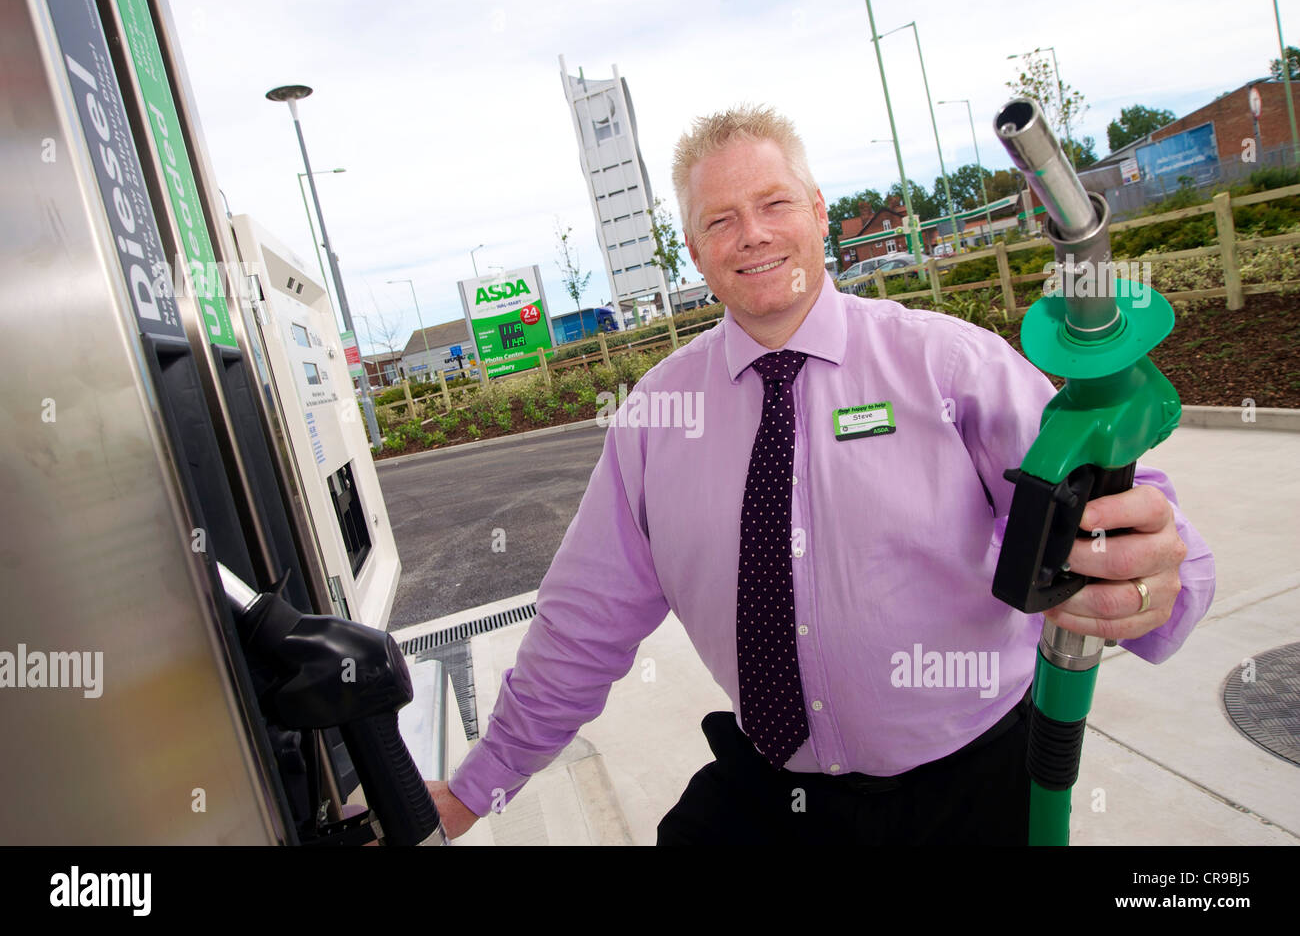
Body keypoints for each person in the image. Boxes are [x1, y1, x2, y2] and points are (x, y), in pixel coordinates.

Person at [427, 105, 1216, 844]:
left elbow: (1119, 504)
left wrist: (1153, 579)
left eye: (774, 204)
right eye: (720, 220)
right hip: (773, 791)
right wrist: (472, 792)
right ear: (695, 250)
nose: (752, 235)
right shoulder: (653, 421)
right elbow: (580, 624)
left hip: (972, 786)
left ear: (817, 211)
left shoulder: (949, 364)